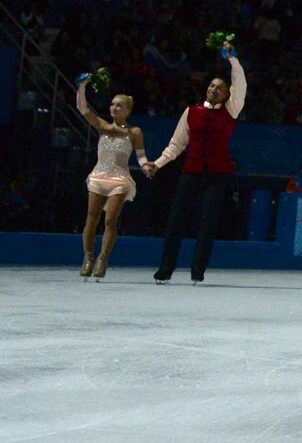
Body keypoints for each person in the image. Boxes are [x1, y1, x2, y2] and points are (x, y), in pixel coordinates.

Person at [143, 43, 247, 285]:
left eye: (220, 88)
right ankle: (165, 269)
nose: (214, 89)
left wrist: (233, 60)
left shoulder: (231, 111)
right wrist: (157, 164)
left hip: (218, 174)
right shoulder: (191, 112)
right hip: (191, 171)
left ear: (227, 94)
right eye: (211, 86)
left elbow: (240, 84)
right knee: (176, 220)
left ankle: (197, 271)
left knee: (207, 224)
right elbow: (176, 145)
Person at [75, 78, 148, 281]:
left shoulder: (134, 132)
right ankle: (88, 257)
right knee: (91, 218)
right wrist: (82, 87)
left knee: (110, 220)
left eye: (119, 105)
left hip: (119, 178)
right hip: (99, 175)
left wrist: (146, 166)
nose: (114, 108)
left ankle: (103, 258)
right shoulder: (102, 126)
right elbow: (83, 108)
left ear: (127, 111)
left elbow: (141, 155)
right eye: (113, 104)